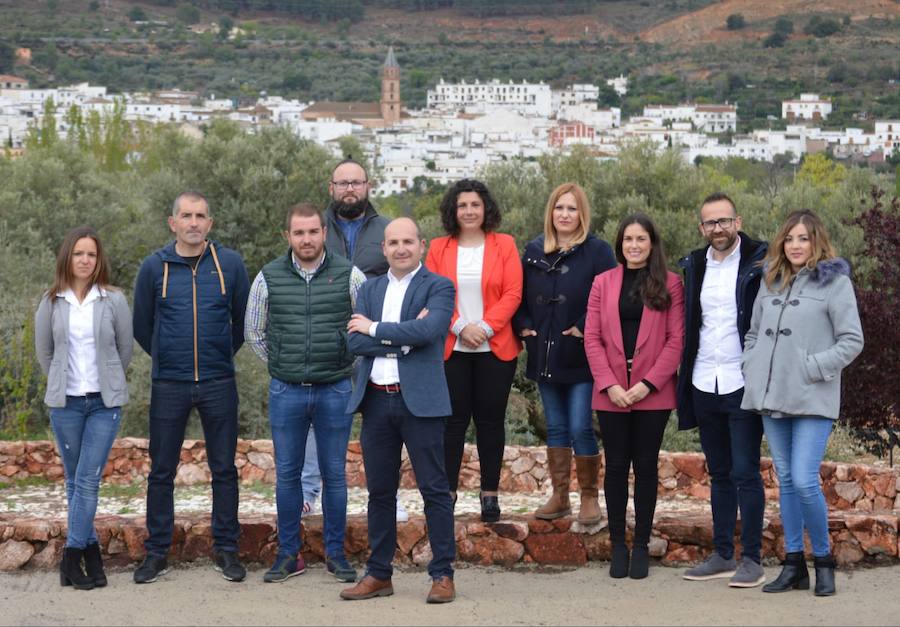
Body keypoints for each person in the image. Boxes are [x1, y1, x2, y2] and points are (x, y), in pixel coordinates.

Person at [741, 209, 863, 597]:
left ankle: (824, 561)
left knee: (805, 479)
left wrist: (812, 367)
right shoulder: (770, 280)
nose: (795, 245)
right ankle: (794, 565)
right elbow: (753, 333)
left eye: (803, 238)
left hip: (812, 395)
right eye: (789, 238)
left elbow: (852, 340)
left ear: (816, 242)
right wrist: (751, 364)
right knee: (787, 480)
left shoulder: (835, 283)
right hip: (772, 395)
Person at [132, 191, 250, 584]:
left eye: (200, 216)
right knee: (161, 470)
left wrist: (219, 355)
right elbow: (142, 326)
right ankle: (156, 552)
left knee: (224, 469)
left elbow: (241, 322)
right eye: (186, 216)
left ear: (210, 223)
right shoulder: (154, 267)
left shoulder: (230, 264)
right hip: (170, 383)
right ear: (173, 223)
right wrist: (168, 357)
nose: (194, 223)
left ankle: (227, 549)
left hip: (219, 382)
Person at [245, 203, 366, 584]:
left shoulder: (350, 275)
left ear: (324, 232)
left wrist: (343, 359)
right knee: (287, 476)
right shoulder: (268, 277)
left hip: (335, 389)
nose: (307, 239)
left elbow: (364, 327)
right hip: (287, 390)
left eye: (313, 231)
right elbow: (254, 332)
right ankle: (288, 555)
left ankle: (336, 555)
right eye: (299, 233)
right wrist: (284, 362)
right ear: (288, 236)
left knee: (334, 475)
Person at [339, 217, 457, 604]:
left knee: (435, 490)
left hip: (420, 402)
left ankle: (443, 574)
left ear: (422, 245)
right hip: (376, 400)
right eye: (393, 242)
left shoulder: (438, 286)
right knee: (380, 493)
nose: (401, 248)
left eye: (408, 241)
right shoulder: (369, 289)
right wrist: (404, 339)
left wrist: (375, 328)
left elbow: (429, 332)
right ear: (384, 248)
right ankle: (378, 574)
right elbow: (354, 344)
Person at [584, 212, 684, 580]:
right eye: (628, 239)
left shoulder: (671, 284)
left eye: (641, 239)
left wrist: (648, 384)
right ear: (620, 244)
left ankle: (640, 545)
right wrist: (609, 384)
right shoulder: (603, 282)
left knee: (645, 466)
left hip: (652, 393)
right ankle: (617, 546)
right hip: (610, 391)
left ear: (652, 244)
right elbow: (592, 337)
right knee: (614, 467)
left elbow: (676, 340)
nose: (634, 245)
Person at [676, 193, 769, 588]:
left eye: (724, 221)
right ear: (702, 228)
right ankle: (722, 554)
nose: (718, 228)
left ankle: (752, 559)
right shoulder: (695, 264)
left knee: (746, 472)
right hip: (703, 380)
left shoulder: (760, 261)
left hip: (742, 381)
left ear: (738, 222)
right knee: (719, 473)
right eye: (710, 222)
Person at [35, 226, 133, 590]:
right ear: (67, 257)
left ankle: (70, 557)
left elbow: (124, 350)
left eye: (91, 254)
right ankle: (91, 555)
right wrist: (63, 382)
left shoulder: (113, 300)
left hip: (103, 404)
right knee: (75, 481)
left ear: (98, 260)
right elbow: (45, 353)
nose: (85, 260)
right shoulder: (51, 302)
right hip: (67, 404)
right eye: (79, 253)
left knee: (87, 479)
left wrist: (108, 379)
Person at [514, 183, 616, 524]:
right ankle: (559, 497)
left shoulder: (598, 251)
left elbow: (609, 296)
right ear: (551, 212)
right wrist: (523, 325)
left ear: (582, 213)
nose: (565, 214)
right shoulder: (534, 251)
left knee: (580, 426)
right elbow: (518, 295)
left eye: (572, 208)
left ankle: (589, 497)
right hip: (544, 353)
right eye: (559, 208)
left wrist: (584, 327)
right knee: (556, 427)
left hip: (582, 354)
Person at [425, 179, 522, 522]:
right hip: (452, 347)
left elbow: (513, 293)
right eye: (462, 205)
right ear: (453, 210)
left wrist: (483, 327)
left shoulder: (504, 244)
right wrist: (459, 327)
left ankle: (489, 495)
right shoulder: (438, 248)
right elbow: (432, 294)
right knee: (452, 423)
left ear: (486, 209)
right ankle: (447, 494)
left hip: (495, 348)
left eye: (475, 205)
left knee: (490, 422)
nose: (469, 211)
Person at [324, 158, 391, 279]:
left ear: (368, 187)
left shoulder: (389, 231)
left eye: (356, 183)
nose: (350, 189)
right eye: (343, 183)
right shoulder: (314, 230)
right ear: (331, 188)